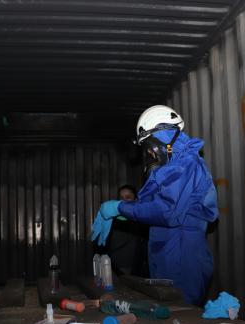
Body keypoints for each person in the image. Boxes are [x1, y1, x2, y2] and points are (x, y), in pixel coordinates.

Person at [91, 105, 218, 305]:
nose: (149, 152)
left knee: (185, 318)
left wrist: (120, 207)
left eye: (149, 144)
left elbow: (167, 211)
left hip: (183, 259)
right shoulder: (172, 167)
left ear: (163, 136)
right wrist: (123, 213)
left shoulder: (186, 164)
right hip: (169, 257)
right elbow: (156, 204)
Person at [105, 185, 149, 277]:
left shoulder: (144, 219)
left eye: (128, 197)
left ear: (136, 200)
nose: (124, 201)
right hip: (116, 270)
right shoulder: (113, 220)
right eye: (121, 198)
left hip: (139, 270)